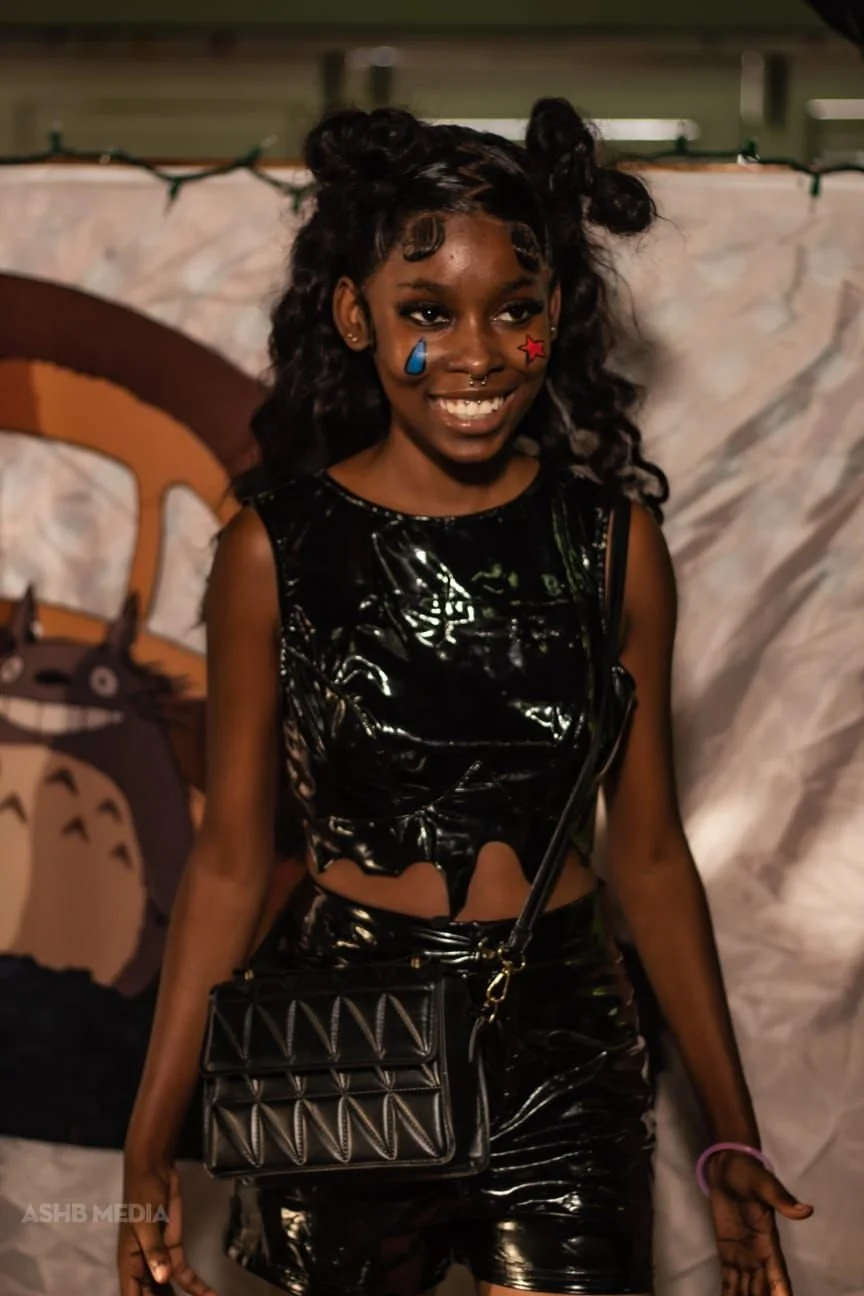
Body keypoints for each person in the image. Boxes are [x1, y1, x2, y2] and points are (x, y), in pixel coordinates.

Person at [118, 98, 813, 1296]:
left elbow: (648, 855)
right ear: (356, 315)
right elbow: (232, 860)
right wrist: (147, 1142)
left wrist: (730, 1130)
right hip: (340, 1033)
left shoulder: (612, 544)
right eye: (429, 313)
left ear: (558, 316)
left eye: (517, 309)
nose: (480, 352)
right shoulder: (272, 549)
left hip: (564, 1035)